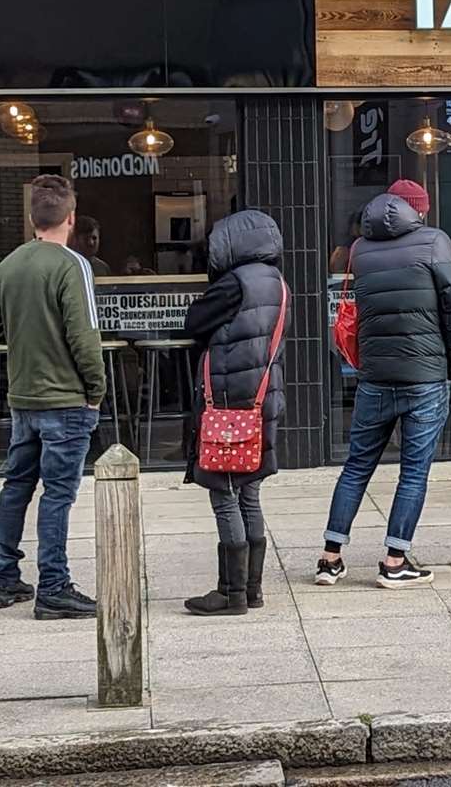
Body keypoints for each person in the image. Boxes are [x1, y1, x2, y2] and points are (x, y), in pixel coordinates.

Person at [316, 178, 451, 589]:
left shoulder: (361, 249)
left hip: (375, 375)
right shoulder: (436, 242)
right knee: (413, 472)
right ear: (418, 210)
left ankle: (330, 558)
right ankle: (395, 561)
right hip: (424, 376)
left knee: (357, 465)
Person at [0, 174, 107, 619]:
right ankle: (54, 584)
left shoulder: (8, 266)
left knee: (16, 485)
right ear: (70, 219)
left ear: (31, 218)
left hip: (24, 396)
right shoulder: (73, 265)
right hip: (66, 397)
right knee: (59, 493)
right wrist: (96, 391)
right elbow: (84, 335)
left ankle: (4, 577)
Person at [179, 210, 286, 616]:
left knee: (224, 493)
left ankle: (231, 592)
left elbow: (193, 323)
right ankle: (253, 589)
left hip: (228, 401)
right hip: (263, 400)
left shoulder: (233, 285)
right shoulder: (276, 282)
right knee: (250, 493)